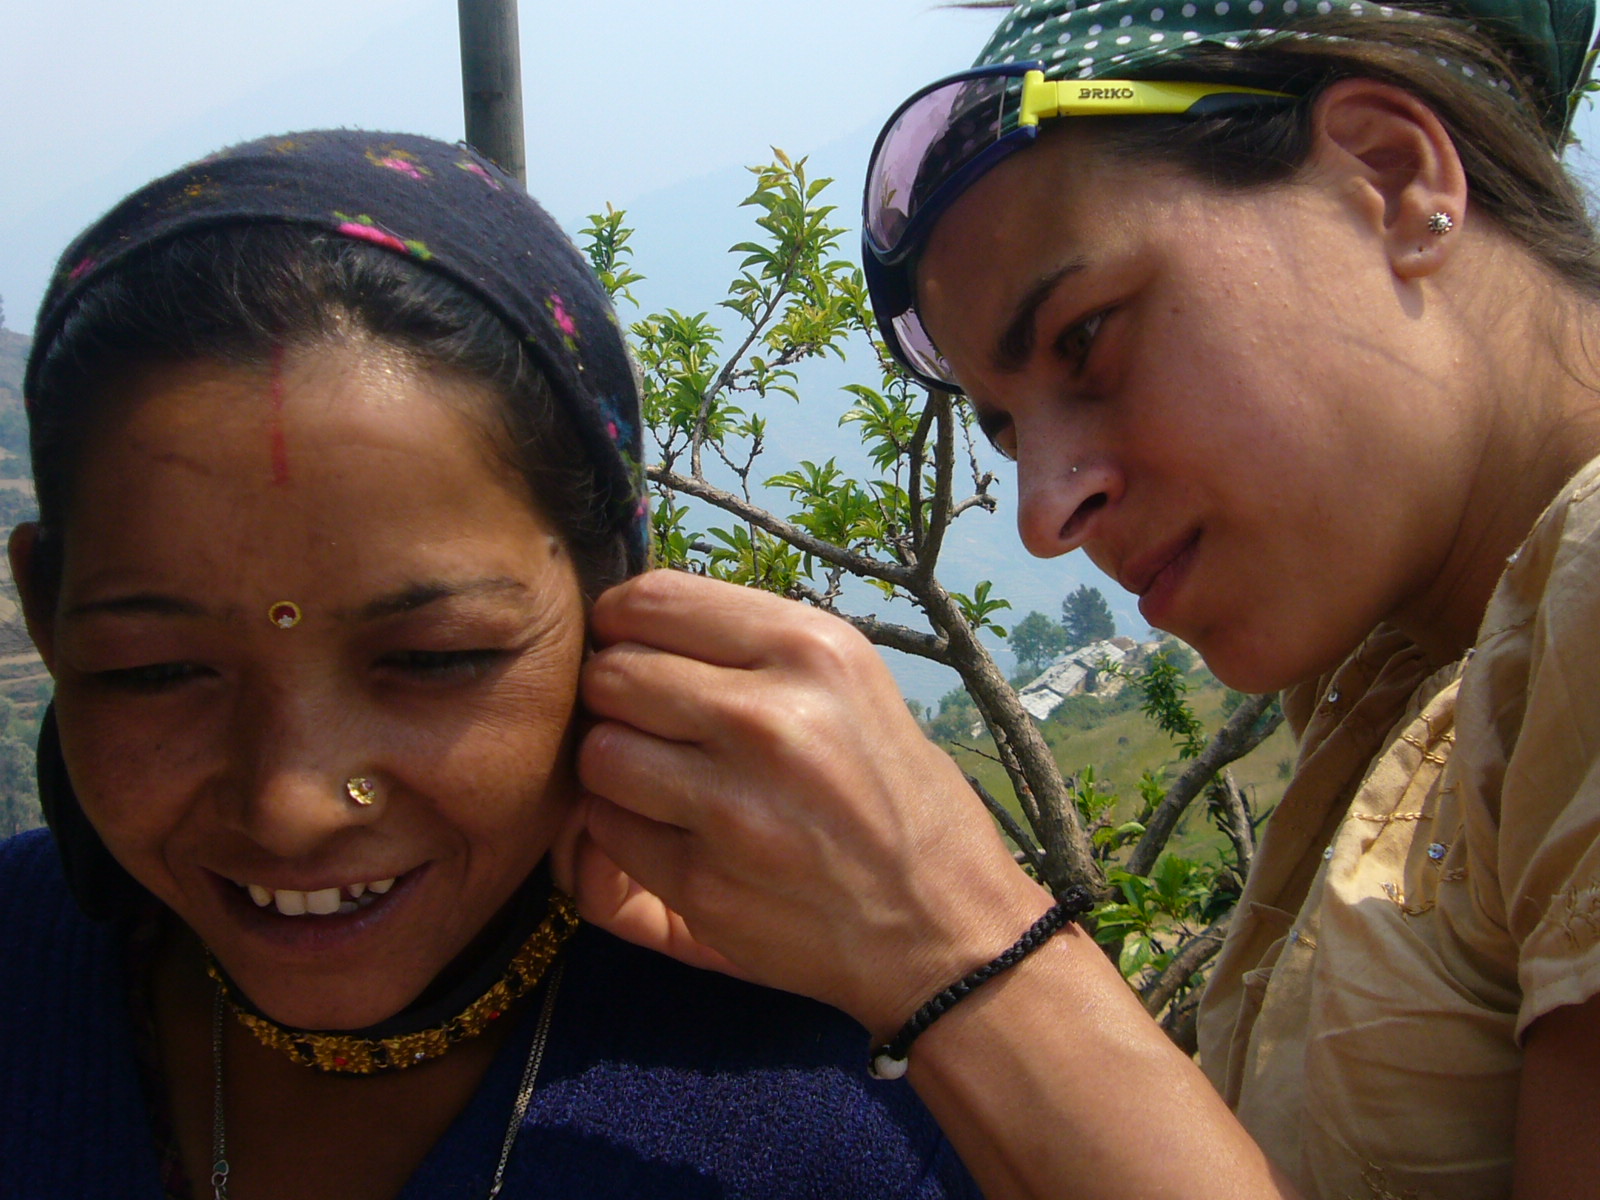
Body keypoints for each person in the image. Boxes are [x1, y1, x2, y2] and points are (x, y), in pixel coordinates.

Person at [559, 1, 1600, 1197]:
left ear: (1389, 173)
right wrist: (859, 975)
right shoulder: (1402, 684)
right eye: (1004, 432)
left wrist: (952, 937)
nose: (1045, 514)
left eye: (1087, 338)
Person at [0, 129, 980, 1200]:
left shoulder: (850, 1117)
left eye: (433, 660)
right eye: (155, 670)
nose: (289, 806)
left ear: (617, 595)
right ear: (48, 620)